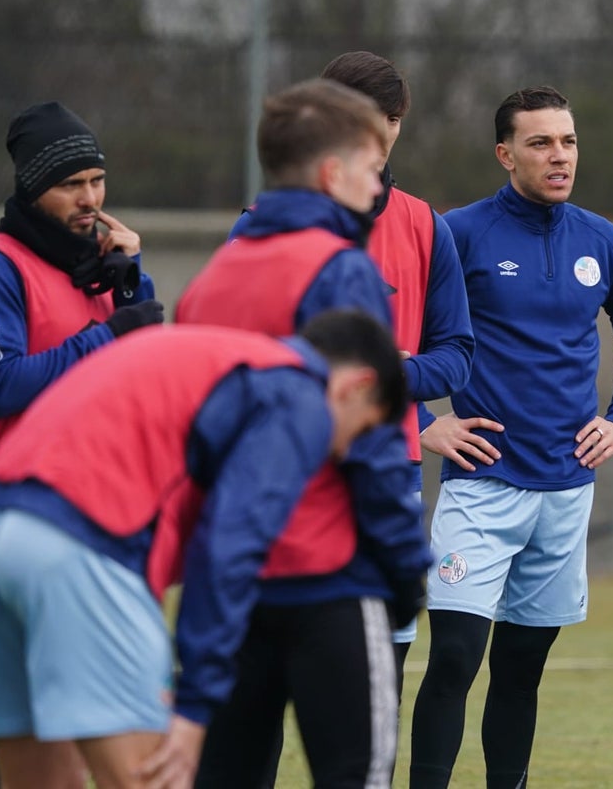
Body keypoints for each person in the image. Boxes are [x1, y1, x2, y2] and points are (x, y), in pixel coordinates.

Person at [0, 309, 405, 789]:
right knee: (154, 779)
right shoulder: (299, 393)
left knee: (40, 780)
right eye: (360, 430)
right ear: (356, 386)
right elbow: (230, 549)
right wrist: (194, 705)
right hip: (74, 542)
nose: (340, 452)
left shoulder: (221, 357)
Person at [408, 85, 613, 789]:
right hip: (481, 488)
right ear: (504, 153)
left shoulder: (602, 243)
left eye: (570, 142)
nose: (560, 157)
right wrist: (423, 423)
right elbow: (385, 332)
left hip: (565, 493)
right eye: (541, 143)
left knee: (521, 671)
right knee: (456, 656)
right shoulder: (457, 233)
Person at [177, 77, 433, 787]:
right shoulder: (341, 271)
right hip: (331, 580)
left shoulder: (210, 281)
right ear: (332, 174)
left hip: (236, 583)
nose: (380, 187)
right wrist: (404, 568)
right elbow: (374, 432)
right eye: (373, 170)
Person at [229, 51, 475, 694]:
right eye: (371, 117)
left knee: (370, 705)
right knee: (258, 710)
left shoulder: (426, 226)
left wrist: (396, 379)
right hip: (277, 493)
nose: (385, 133)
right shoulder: (252, 235)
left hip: (378, 482)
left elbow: (456, 356)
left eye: (393, 118)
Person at [0, 101, 163, 788]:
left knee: (61, 726)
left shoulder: (95, 271)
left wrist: (133, 280)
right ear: (33, 187)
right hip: (14, 526)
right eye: (73, 184)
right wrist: (110, 333)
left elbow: (145, 376)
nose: (91, 199)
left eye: (97, 181)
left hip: (95, 522)